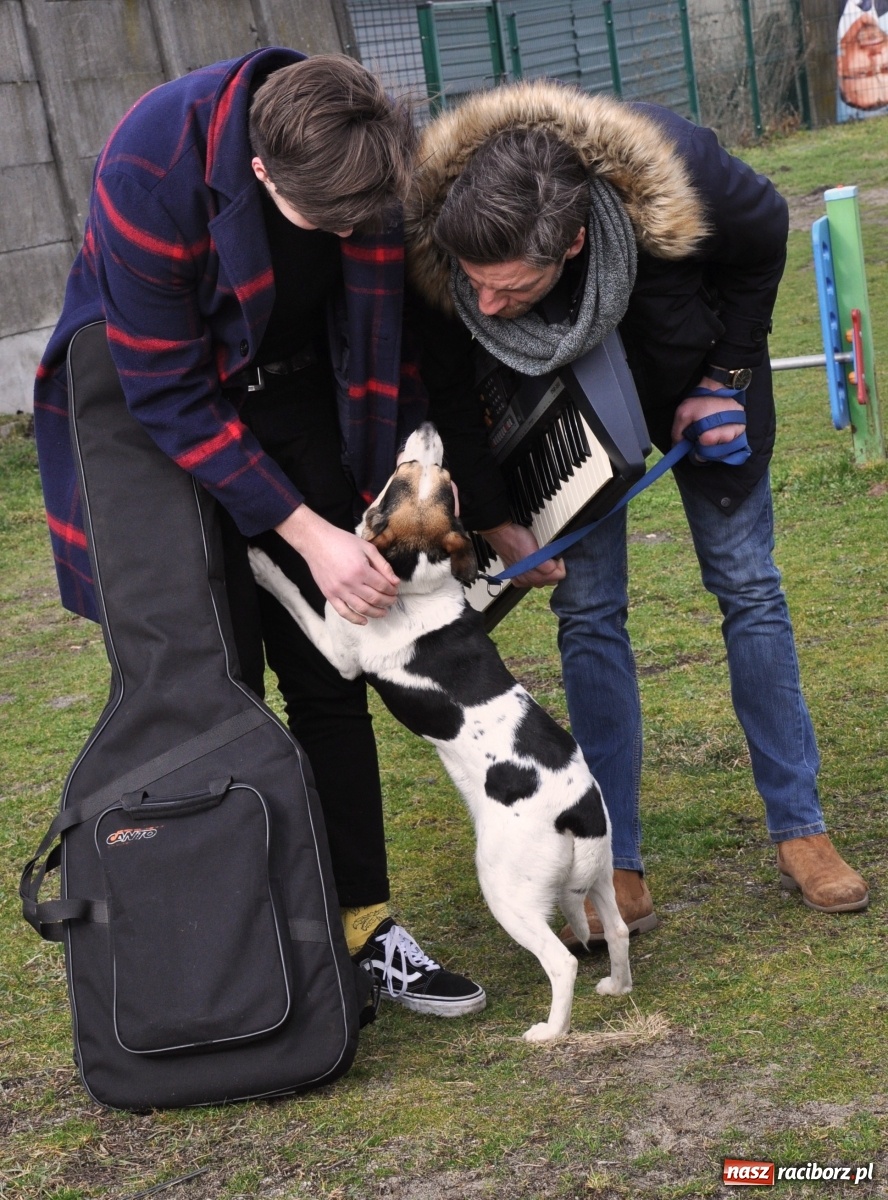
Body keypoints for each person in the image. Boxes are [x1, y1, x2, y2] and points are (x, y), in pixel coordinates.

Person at [33, 48, 485, 1016]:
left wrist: (377, 504)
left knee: (329, 676)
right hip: (151, 424)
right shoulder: (149, 164)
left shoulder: (364, 153)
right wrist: (310, 536)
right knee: (209, 689)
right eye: (331, 225)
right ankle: (253, 946)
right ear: (261, 172)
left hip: (298, 400)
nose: (352, 236)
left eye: (363, 223)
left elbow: (383, 343)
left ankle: (363, 929)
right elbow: (166, 391)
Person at [404, 79, 869, 943]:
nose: (487, 305)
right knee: (587, 611)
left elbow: (766, 233)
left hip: (693, 374)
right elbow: (449, 380)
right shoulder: (443, 242)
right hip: (550, 415)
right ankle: (612, 857)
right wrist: (497, 516)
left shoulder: (678, 169)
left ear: (575, 241)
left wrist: (726, 377)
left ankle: (801, 828)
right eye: (477, 287)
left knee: (748, 585)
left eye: (511, 288)